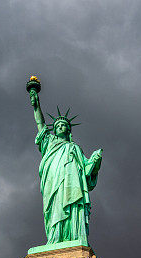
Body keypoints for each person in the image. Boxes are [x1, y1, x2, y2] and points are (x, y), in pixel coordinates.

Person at [29, 80, 102, 245]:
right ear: (54, 129)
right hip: (53, 179)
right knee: (54, 207)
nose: (61, 127)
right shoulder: (49, 142)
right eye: (58, 125)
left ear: (68, 130)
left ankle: (74, 237)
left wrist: (95, 161)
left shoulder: (74, 147)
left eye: (64, 125)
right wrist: (36, 104)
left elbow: (86, 170)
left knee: (72, 203)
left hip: (71, 182)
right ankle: (55, 238)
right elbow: (40, 124)